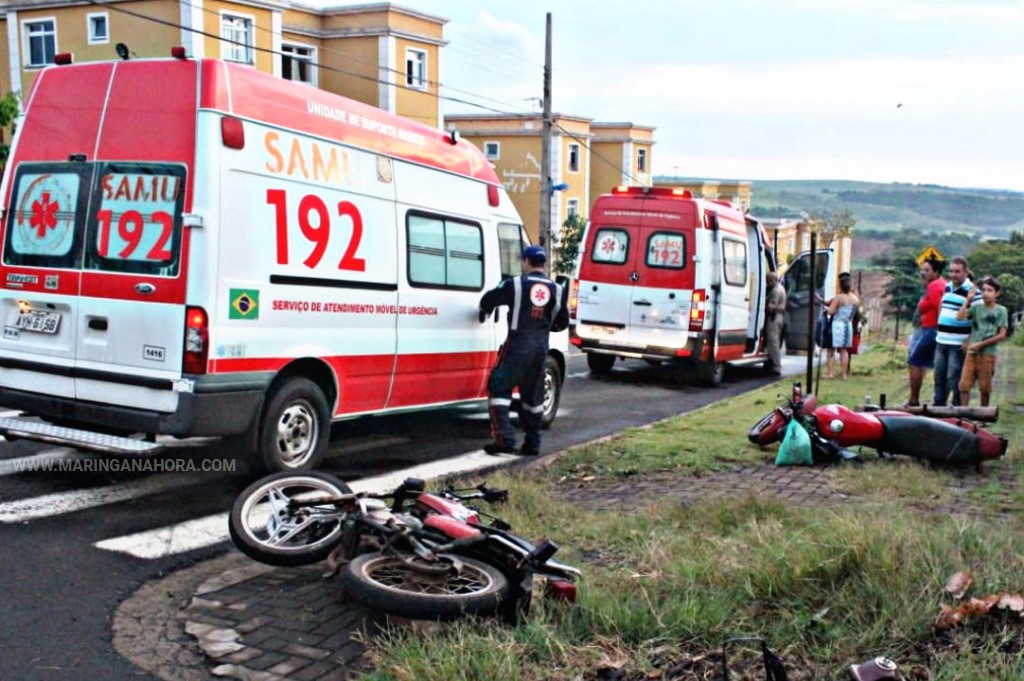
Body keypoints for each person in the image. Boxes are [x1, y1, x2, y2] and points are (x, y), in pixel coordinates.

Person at [479, 246, 569, 456]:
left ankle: (505, 439)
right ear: (544, 264)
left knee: (498, 386)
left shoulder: (516, 284)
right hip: (540, 349)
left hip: (517, 345)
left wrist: (485, 310)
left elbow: (488, 299)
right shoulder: (557, 289)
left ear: (527, 262)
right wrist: (543, 326)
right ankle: (533, 444)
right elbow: (562, 322)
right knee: (533, 397)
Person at [957, 277, 1008, 407]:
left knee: (985, 387)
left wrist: (981, 344)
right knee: (964, 385)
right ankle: (964, 414)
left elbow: (1001, 335)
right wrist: (968, 299)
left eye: (989, 290)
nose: (985, 293)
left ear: (997, 293)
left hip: (988, 353)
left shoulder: (1001, 310)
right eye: (983, 290)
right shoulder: (976, 308)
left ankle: (983, 415)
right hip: (972, 352)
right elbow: (960, 316)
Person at [933, 256, 977, 406]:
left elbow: (978, 320)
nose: (953, 275)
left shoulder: (972, 292)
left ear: (966, 272)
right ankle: (938, 406)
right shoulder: (948, 286)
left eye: (957, 271)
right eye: (951, 271)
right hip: (941, 339)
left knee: (954, 377)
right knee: (939, 375)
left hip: (957, 342)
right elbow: (942, 307)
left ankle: (957, 409)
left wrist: (969, 340)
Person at [905, 257, 946, 406]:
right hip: (930, 329)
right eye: (922, 269)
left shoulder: (935, 286)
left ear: (936, 271)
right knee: (922, 362)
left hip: (931, 330)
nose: (924, 273)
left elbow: (939, 308)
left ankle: (913, 399)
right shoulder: (940, 283)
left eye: (927, 270)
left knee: (914, 361)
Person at [827, 275, 861, 380]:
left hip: (837, 325)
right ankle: (844, 374)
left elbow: (830, 311)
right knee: (844, 350)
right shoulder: (855, 299)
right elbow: (858, 312)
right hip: (848, 325)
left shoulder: (839, 297)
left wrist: (831, 309)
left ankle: (831, 373)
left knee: (831, 349)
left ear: (840, 286)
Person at [764, 271, 786, 376]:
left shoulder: (775, 291)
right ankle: (772, 364)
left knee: (773, 343)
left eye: (768, 280)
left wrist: (762, 307)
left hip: (774, 317)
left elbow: (771, 307)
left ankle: (776, 367)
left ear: (772, 280)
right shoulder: (781, 288)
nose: (767, 283)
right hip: (779, 317)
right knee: (775, 341)